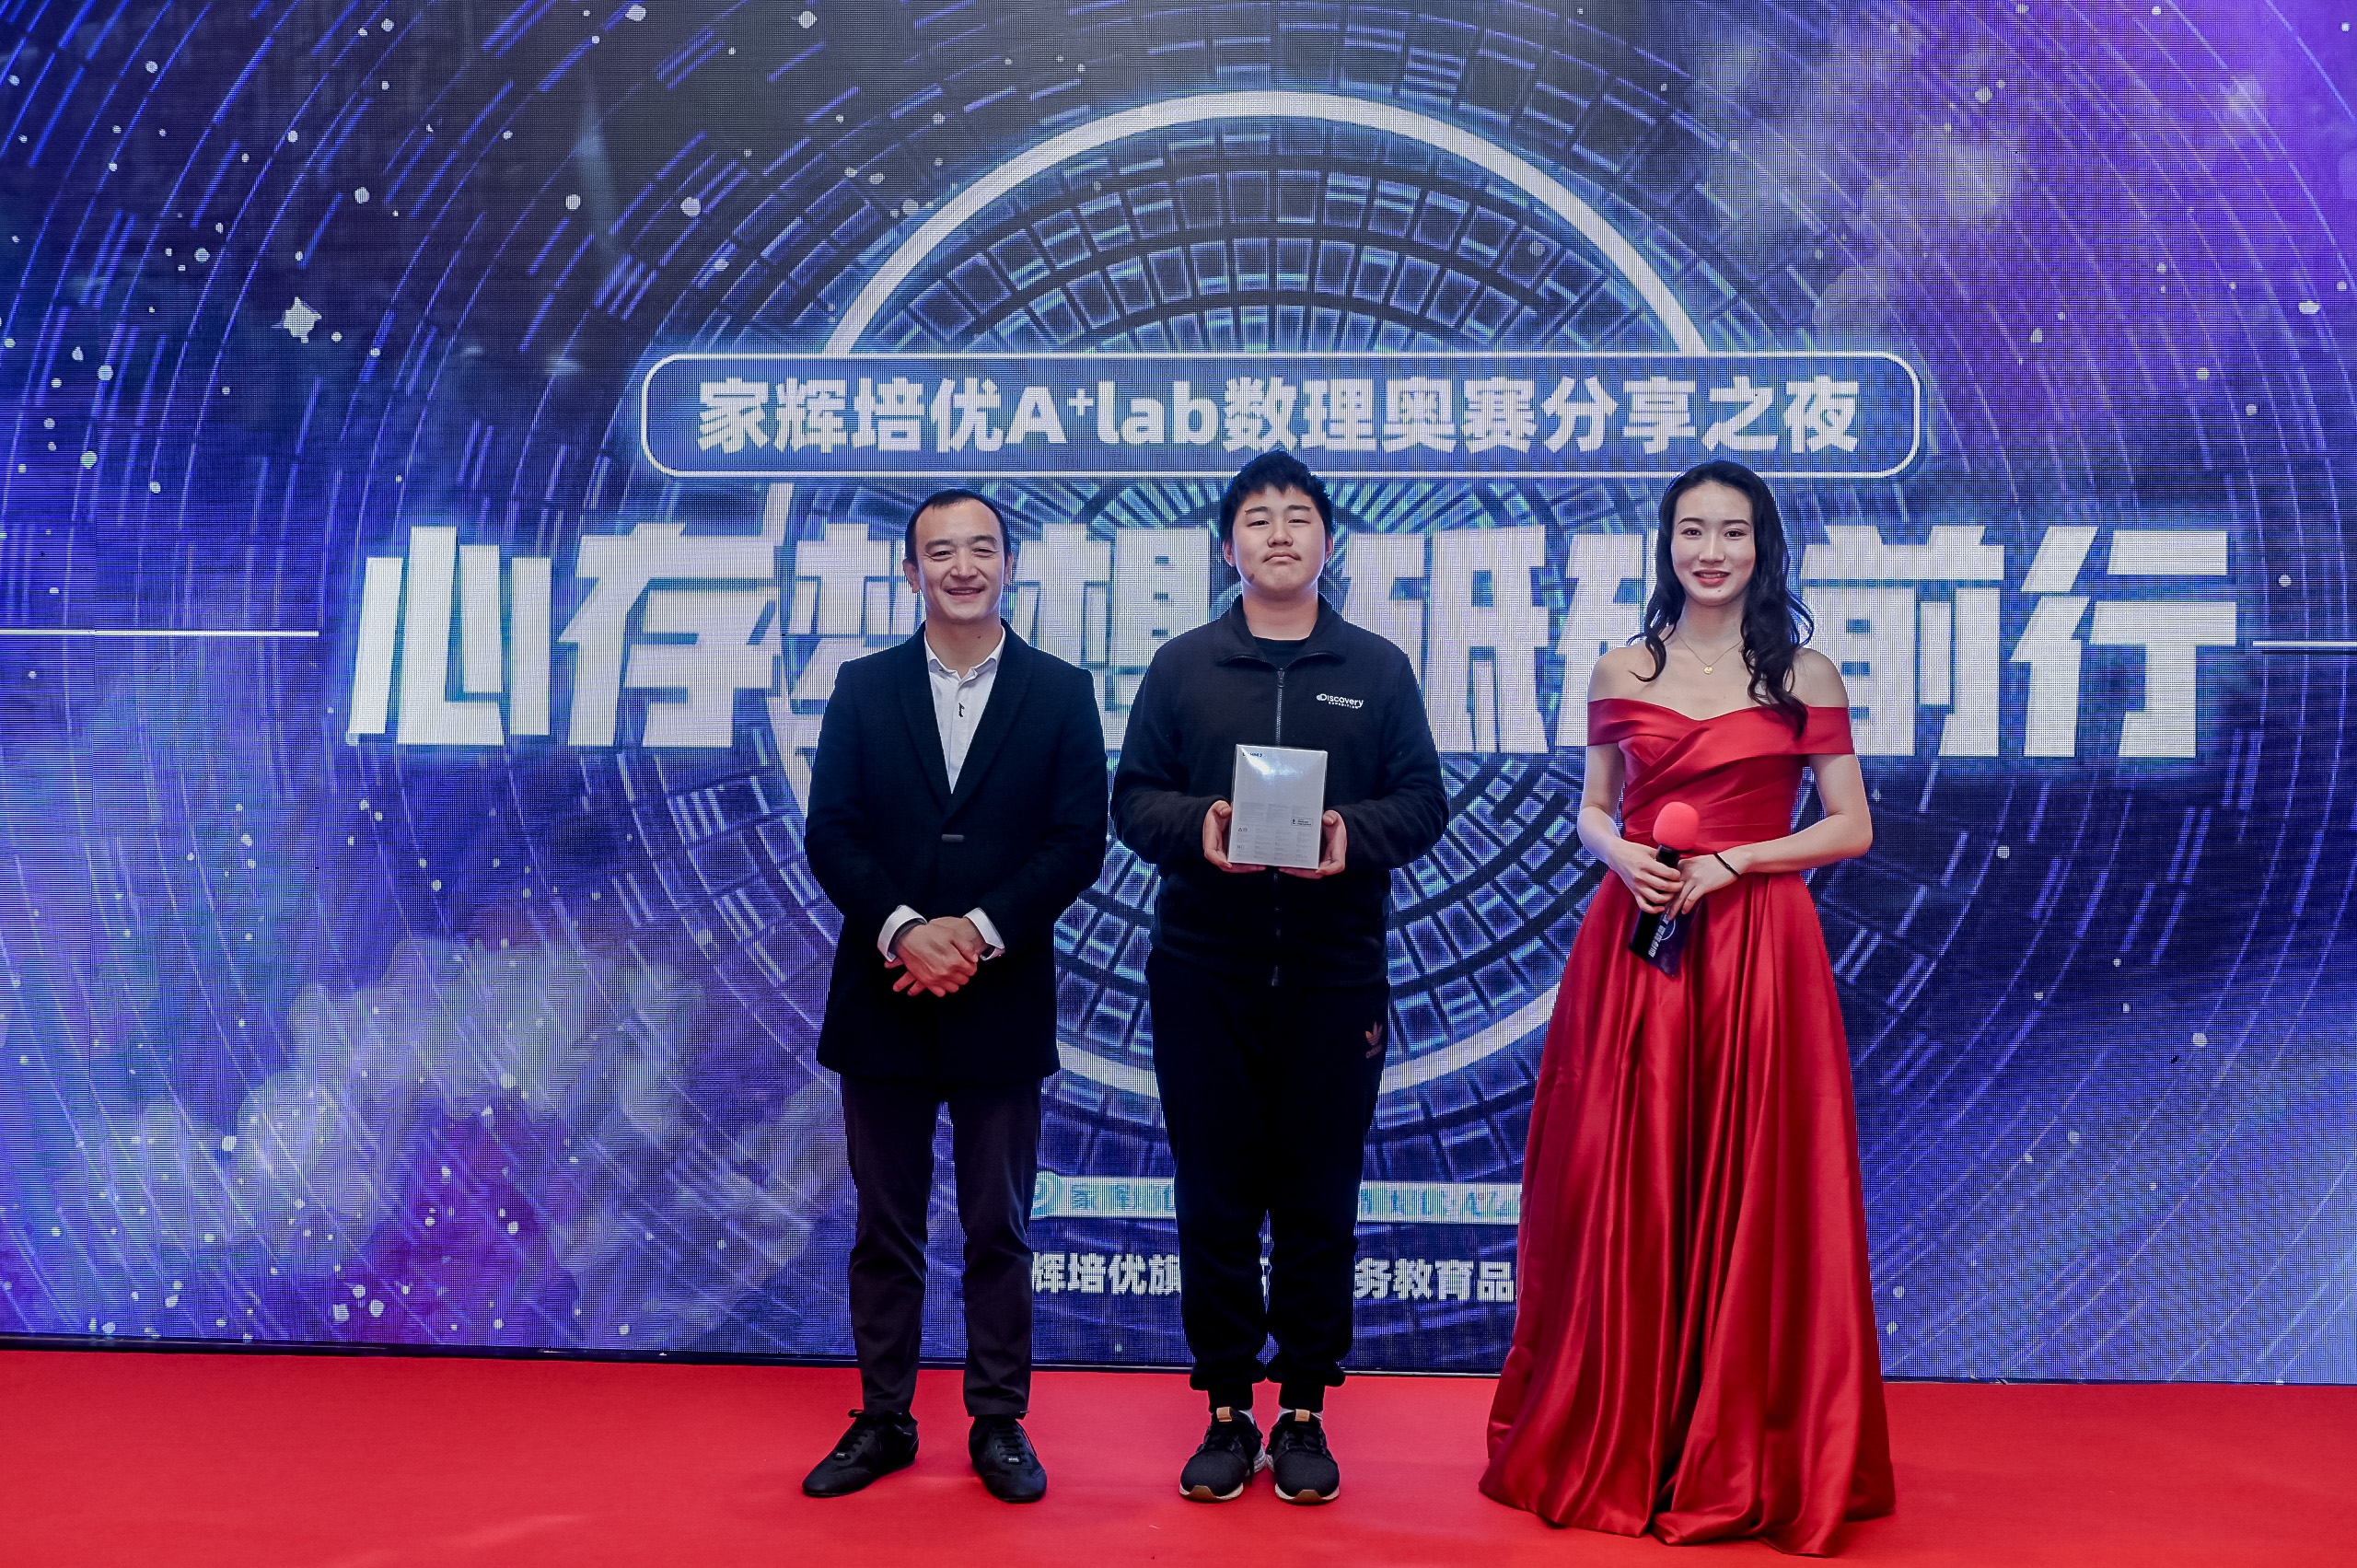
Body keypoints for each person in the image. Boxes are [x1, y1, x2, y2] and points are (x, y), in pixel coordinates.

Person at [1480, 460, 1896, 1554]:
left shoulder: (1804, 671)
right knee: (1624, 1177)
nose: (1711, 551)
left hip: (1759, 946)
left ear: (1763, 546)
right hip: (1636, 941)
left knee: (1752, 1180)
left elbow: (1850, 824)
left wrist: (1737, 860)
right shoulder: (1621, 664)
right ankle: (1630, 1431)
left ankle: (1738, 1438)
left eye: (1733, 531)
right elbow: (1593, 806)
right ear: (1665, 543)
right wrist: (1620, 853)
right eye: (1691, 530)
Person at [1113, 451, 1449, 1505]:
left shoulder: (1377, 668)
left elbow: (1424, 801)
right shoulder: (1182, 666)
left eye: (1297, 517)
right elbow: (1132, 799)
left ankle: (1302, 1403)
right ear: (1228, 548)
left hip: (1334, 976)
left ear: (1327, 542)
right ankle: (1225, 1406)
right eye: (1257, 519)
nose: (1277, 534)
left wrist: (1349, 834)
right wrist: (1199, 825)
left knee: (1317, 1196)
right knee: (1213, 1195)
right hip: (1201, 970)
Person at [799, 489, 1108, 1505]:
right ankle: (883, 1416)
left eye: (981, 548)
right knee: (883, 1226)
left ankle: (998, 1418)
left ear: (1009, 565)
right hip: (883, 992)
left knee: (997, 1225)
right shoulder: (862, 685)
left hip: (999, 995)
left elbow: (1078, 840)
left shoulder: (1060, 691)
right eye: (941, 551)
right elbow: (832, 831)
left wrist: (973, 932)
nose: (962, 566)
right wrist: (903, 928)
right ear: (911, 571)